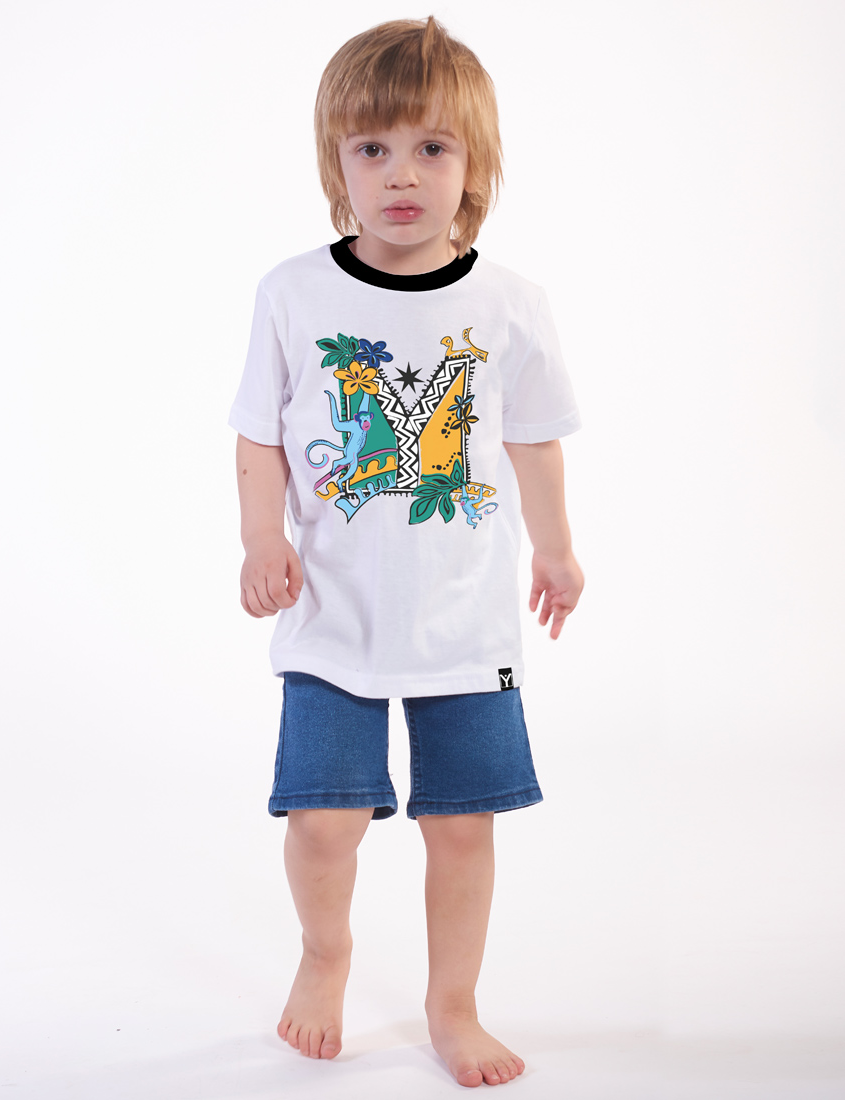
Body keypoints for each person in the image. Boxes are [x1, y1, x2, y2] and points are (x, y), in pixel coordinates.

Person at [229, 16, 583, 1089]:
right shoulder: (295, 294)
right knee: (323, 820)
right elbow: (257, 433)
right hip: (333, 619)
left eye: (432, 147)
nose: (401, 174)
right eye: (372, 148)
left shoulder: (509, 305)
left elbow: (534, 439)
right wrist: (261, 536)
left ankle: (453, 1003)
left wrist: (557, 550)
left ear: (474, 165)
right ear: (335, 161)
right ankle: (325, 952)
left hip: (465, 627)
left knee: (464, 827)